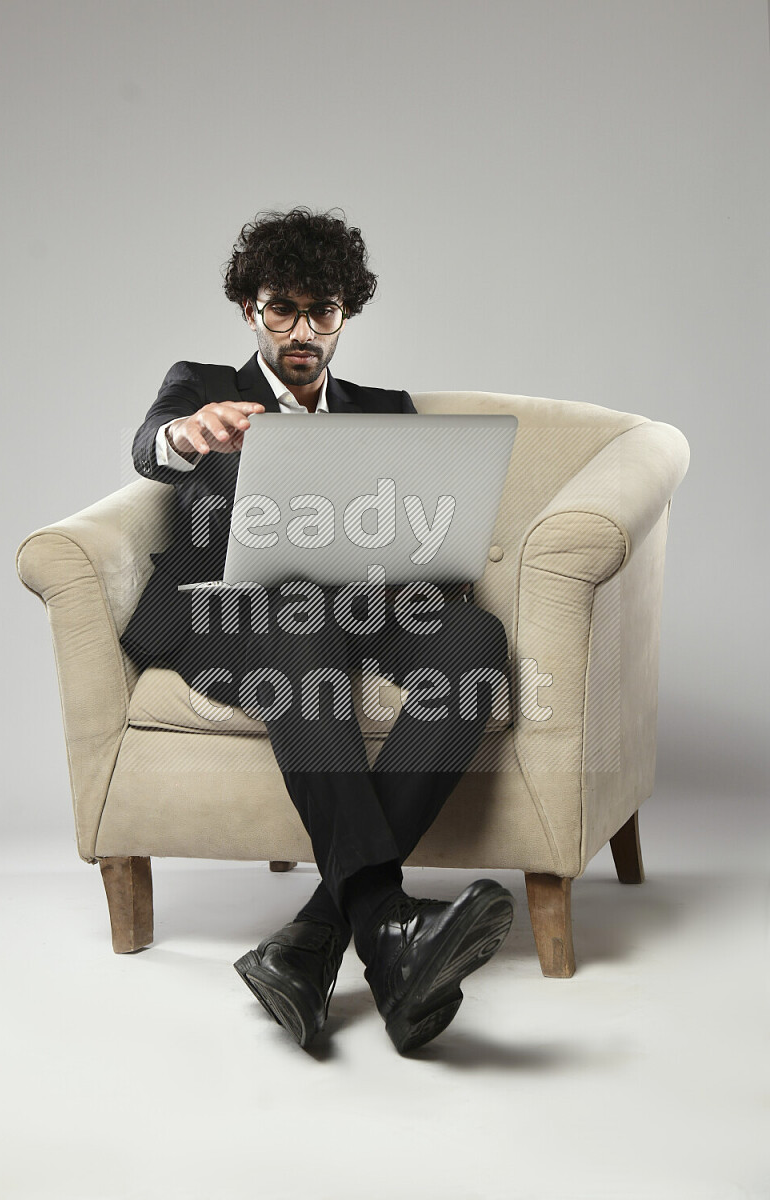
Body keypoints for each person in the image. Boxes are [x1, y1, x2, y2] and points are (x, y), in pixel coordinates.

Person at [120, 207, 515, 1054]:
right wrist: (192, 435)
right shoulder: (200, 386)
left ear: (346, 313)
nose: (302, 331)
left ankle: (314, 942)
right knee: (294, 610)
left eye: (322, 311)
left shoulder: (385, 410)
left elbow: (428, 543)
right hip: (226, 617)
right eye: (281, 309)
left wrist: (419, 543)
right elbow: (153, 445)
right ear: (249, 310)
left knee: (474, 644)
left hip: (362, 607)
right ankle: (387, 930)